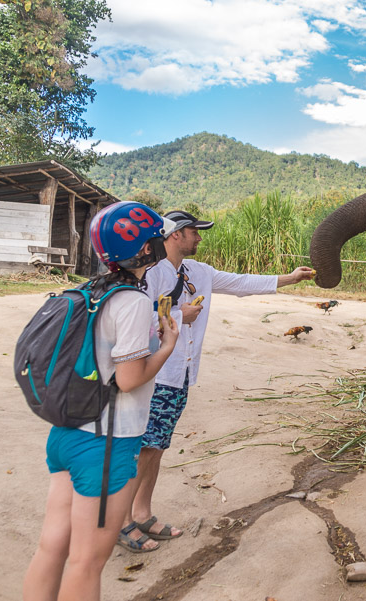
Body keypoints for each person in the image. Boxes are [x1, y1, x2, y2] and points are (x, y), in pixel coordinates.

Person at [118, 209, 314, 551]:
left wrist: (290, 278)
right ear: (176, 235)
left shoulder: (198, 272)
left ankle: (143, 512)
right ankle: (121, 523)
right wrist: (180, 314)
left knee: (157, 447)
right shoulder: (149, 273)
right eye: (195, 231)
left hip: (181, 374)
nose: (200, 238)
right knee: (143, 449)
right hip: (155, 374)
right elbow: (131, 316)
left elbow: (241, 283)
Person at [23, 202, 180, 601]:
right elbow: (129, 381)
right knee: (87, 562)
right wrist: (166, 347)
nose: (161, 243)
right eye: (156, 239)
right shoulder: (133, 302)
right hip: (107, 442)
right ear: (144, 250)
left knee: (51, 547)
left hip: (66, 434)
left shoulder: (91, 290)